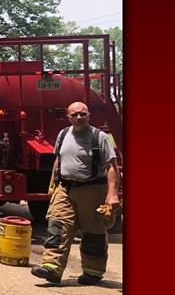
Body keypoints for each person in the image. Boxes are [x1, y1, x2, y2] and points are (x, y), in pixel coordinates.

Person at [32, 102, 121, 285]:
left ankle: (92, 271)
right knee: (57, 226)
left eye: (82, 114)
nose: (79, 117)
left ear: (89, 115)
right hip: (65, 188)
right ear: (68, 117)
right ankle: (52, 268)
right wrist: (52, 185)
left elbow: (111, 167)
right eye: (74, 115)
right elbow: (59, 160)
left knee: (93, 232)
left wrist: (112, 194)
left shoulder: (99, 137)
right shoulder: (63, 134)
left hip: (93, 190)